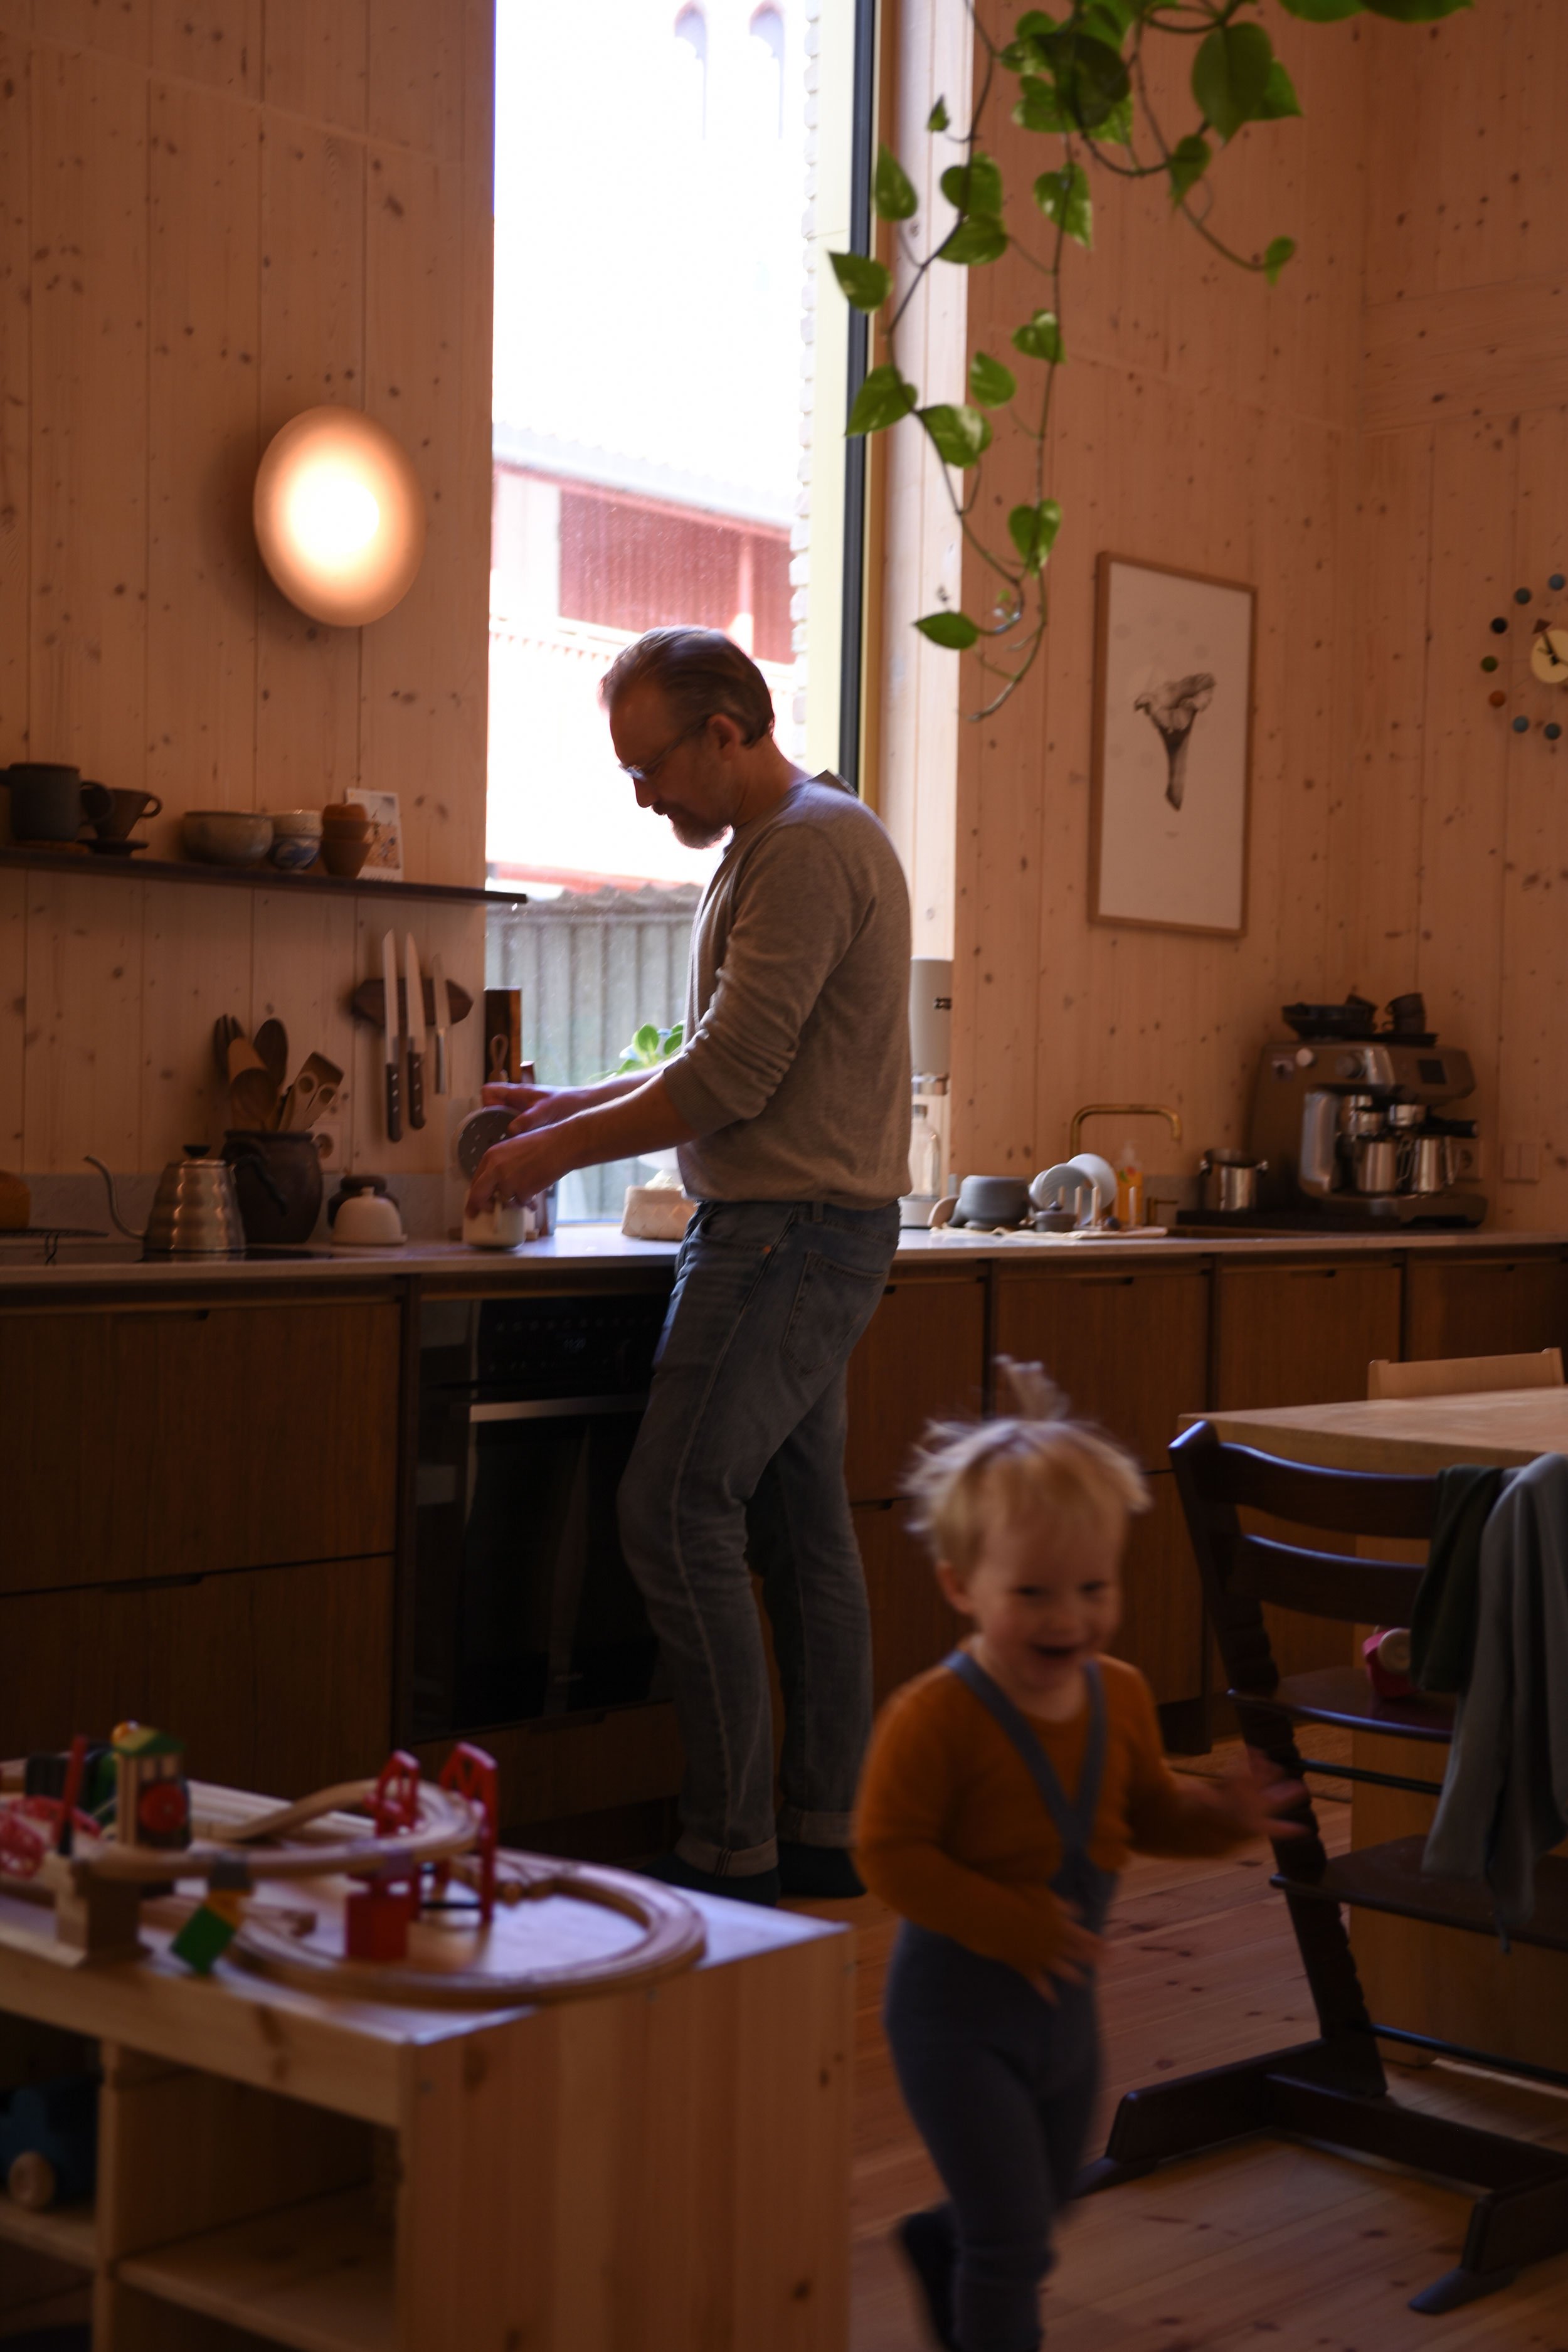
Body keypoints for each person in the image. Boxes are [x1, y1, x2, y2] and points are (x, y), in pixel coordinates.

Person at [469, 626, 912, 1904]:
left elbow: (727, 1079)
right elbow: (713, 1059)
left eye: (648, 766)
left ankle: (732, 1847)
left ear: (723, 733)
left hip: (783, 1235)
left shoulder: (807, 850)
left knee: (670, 1513)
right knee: (794, 1529)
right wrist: (565, 1107)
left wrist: (551, 1163)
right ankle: (825, 1828)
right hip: (810, 1228)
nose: (642, 794)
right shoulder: (786, 843)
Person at [856, 1363, 1304, 2352]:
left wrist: (1222, 1815)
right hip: (953, 2014)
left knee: (1050, 2195)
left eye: (1093, 1587)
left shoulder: (1125, 1696)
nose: (1068, 1616)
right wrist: (1003, 1917)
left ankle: (942, 2243)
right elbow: (886, 1853)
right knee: (1016, 2243)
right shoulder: (934, 1717)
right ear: (960, 1585)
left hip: (1064, 2011)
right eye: (1033, 1592)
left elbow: (1144, 1812)